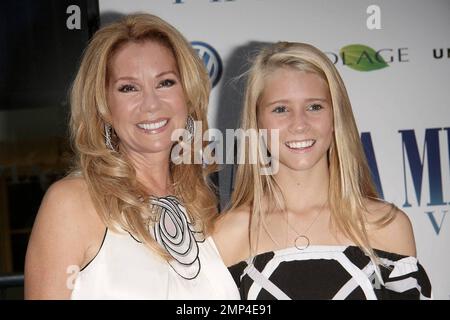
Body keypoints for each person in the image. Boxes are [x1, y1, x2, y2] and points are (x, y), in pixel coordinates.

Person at [24, 13, 239, 299]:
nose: (151, 104)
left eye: (165, 83)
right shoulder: (71, 203)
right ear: (104, 107)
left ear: (187, 94)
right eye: (128, 88)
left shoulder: (202, 203)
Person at [213, 41, 432, 300]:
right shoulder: (227, 236)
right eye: (281, 109)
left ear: (336, 116)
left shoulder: (386, 226)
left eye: (314, 106)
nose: (299, 124)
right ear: (257, 121)